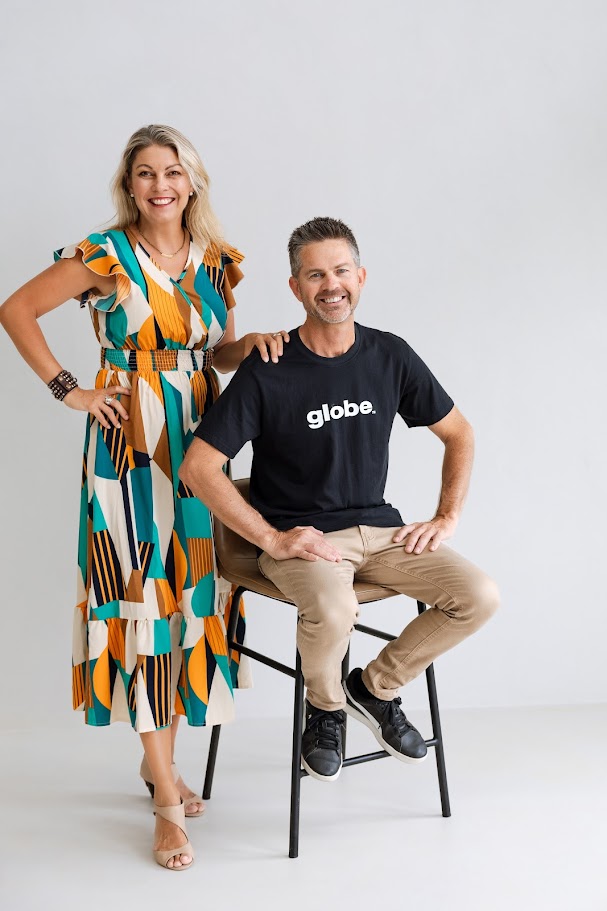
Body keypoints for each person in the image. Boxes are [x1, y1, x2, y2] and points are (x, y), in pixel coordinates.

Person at [0, 124, 289, 870]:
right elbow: (15, 310)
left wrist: (250, 345)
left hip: (203, 445)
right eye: (145, 173)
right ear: (128, 185)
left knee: (193, 596)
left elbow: (212, 350)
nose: (160, 185)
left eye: (172, 171)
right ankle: (164, 793)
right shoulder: (104, 254)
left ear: (193, 181)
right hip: (128, 448)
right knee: (143, 599)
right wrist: (70, 389)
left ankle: (156, 760)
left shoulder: (216, 260)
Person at [179, 216, 500, 786]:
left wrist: (446, 516)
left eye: (342, 271)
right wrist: (272, 538)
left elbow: (460, 433)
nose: (332, 285)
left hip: (381, 532)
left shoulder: (389, 355)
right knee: (334, 609)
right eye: (315, 275)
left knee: (478, 596)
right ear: (295, 287)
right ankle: (325, 709)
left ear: (361, 276)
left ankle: (374, 689)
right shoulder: (269, 367)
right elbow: (198, 467)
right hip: (303, 538)